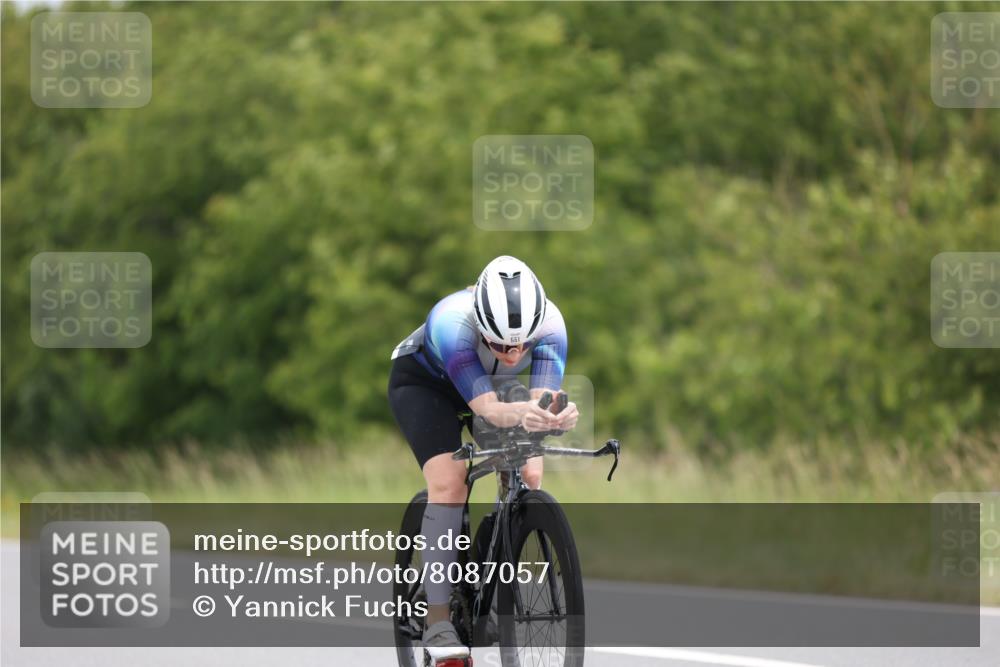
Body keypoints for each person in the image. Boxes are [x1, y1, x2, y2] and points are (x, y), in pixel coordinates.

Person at [387, 255, 578, 661]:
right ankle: (438, 620)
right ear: (480, 325)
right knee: (450, 482)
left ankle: (486, 572)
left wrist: (556, 415)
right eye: (499, 344)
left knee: (529, 472)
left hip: (492, 388)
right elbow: (489, 410)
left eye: (522, 345)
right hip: (426, 386)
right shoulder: (451, 323)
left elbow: (538, 403)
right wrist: (526, 412)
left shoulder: (552, 326)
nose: (512, 354)